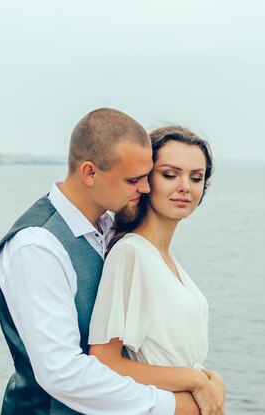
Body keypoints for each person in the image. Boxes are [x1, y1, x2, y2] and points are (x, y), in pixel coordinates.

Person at [0, 109, 200, 415]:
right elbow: (63, 372)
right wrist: (172, 405)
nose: (144, 188)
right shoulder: (37, 246)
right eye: (133, 179)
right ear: (90, 172)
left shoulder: (109, 227)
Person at [88, 126, 225, 415]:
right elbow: (104, 361)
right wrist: (194, 381)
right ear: (145, 181)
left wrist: (212, 379)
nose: (185, 186)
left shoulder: (165, 258)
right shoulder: (130, 253)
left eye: (196, 177)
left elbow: (172, 353)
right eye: (170, 174)